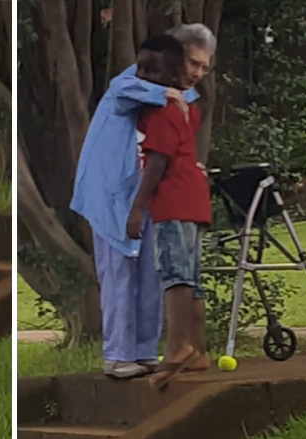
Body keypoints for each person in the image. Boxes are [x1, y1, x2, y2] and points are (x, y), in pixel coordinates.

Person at [70, 23, 215, 379]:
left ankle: (144, 350)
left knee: (151, 273)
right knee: (119, 272)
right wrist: (166, 92)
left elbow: (168, 145)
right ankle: (118, 355)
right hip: (113, 195)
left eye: (204, 67)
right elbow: (132, 93)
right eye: (191, 63)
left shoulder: (182, 96)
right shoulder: (132, 82)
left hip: (149, 196)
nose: (196, 73)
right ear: (174, 59)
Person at [126, 31, 214, 389]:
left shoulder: (163, 111)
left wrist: (137, 207)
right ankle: (199, 350)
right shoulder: (186, 109)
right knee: (191, 278)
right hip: (193, 199)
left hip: (172, 200)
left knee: (174, 274)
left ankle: (177, 346)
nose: (144, 77)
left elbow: (158, 161)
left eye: (153, 70)